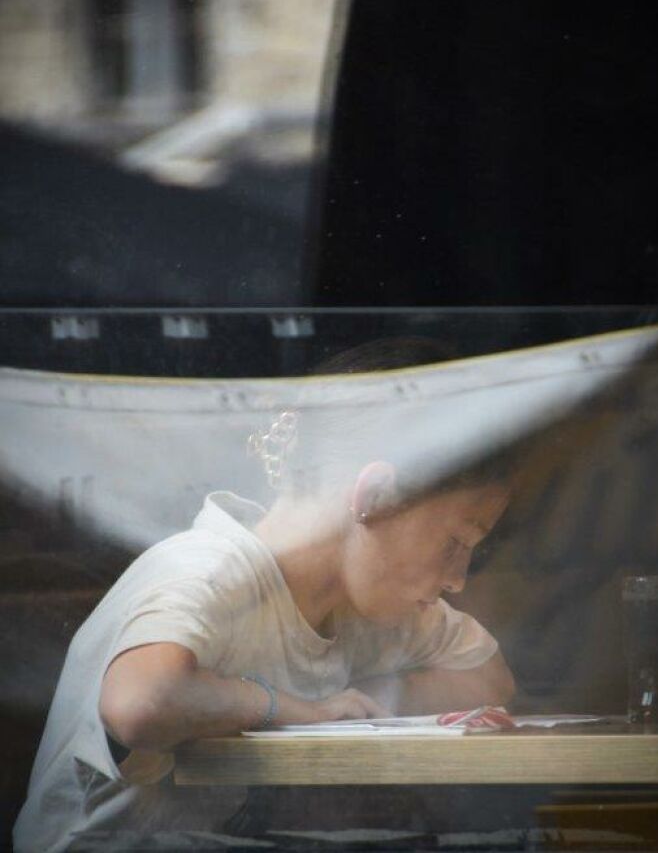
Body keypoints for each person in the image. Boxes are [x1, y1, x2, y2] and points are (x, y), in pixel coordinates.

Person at [14, 338, 515, 853]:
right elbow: (141, 702)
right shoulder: (209, 568)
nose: (458, 579)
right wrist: (303, 709)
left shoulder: (376, 604)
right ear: (376, 498)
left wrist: (369, 700)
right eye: (455, 543)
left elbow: (489, 679)